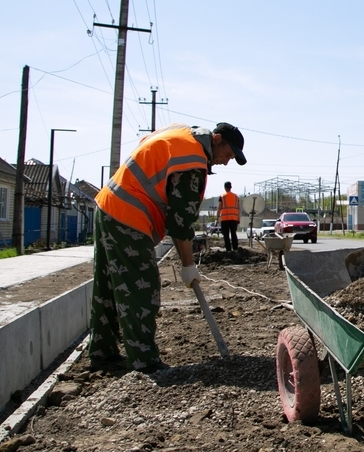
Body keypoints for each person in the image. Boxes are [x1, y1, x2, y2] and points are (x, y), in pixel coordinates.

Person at [88, 122, 246, 372]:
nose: (226, 162)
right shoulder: (193, 161)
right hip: (128, 215)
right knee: (140, 288)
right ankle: (145, 363)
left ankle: (102, 353)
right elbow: (180, 223)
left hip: (108, 205)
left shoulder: (180, 134)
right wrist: (188, 265)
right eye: (228, 155)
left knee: (107, 286)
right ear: (216, 139)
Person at [218, 181, 240, 251]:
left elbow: (219, 208)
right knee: (234, 233)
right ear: (231, 187)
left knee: (226, 235)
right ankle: (235, 248)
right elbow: (239, 208)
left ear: (225, 187)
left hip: (224, 219)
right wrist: (238, 218)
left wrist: (217, 218)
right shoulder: (236, 197)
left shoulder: (222, 197)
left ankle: (228, 250)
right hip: (234, 219)